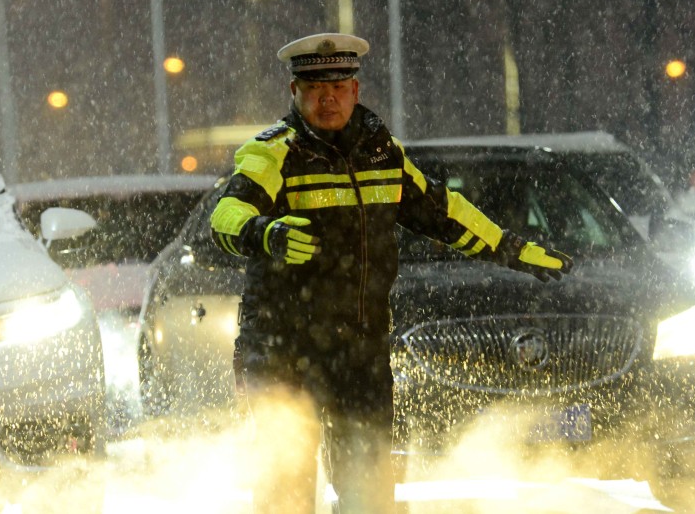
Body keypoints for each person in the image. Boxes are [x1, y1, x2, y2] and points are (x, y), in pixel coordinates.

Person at [209, 33, 572, 513]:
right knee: (287, 489)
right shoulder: (274, 152)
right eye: (315, 88)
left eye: (338, 85)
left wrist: (511, 248)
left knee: (371, 495)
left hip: (360, 351)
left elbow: (443, 212)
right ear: (293, 93)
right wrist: (263, 232)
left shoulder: (384, 154)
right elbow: (225, 215)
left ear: (356, 90)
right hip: (282, 352)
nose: (328, 97)